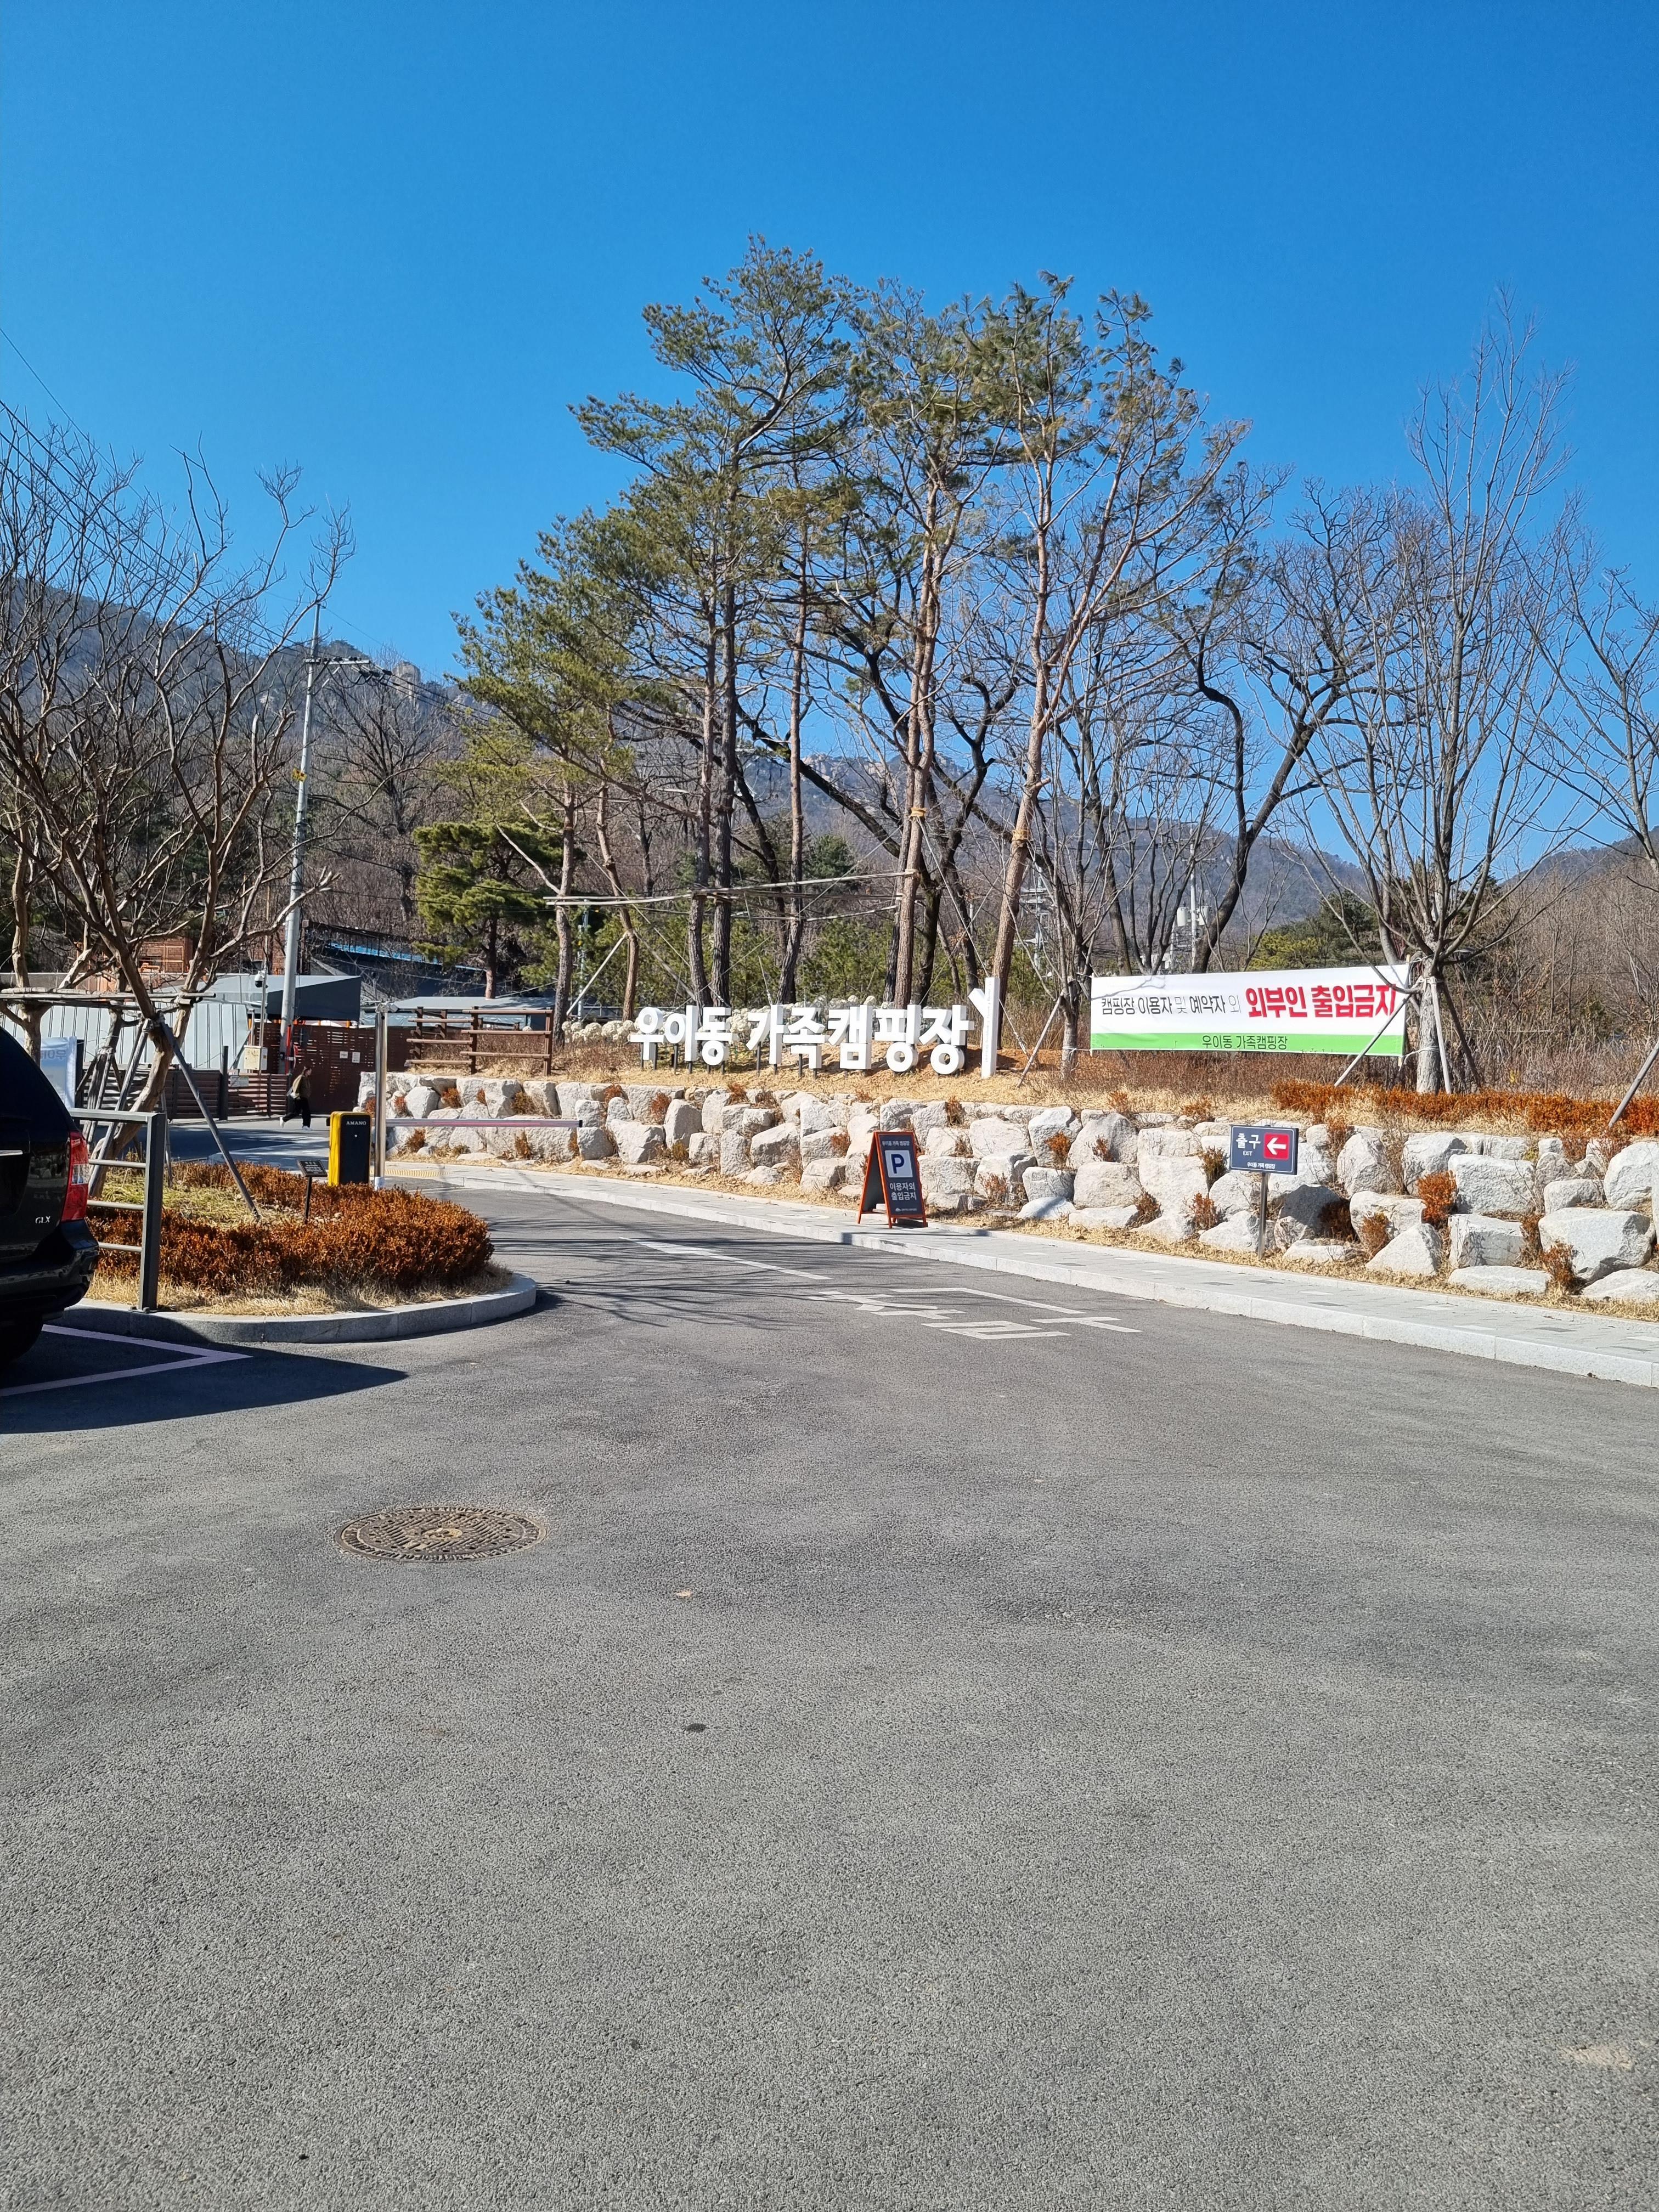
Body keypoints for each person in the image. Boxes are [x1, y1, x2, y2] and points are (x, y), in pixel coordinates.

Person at [284, 1062, 312, 1129]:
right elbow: (296, 1087)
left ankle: (284, 1119)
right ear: (307, 1071)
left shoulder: (307, 1079)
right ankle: (306, 1126)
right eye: (310, 1071)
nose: (311, 1072)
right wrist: (298, 1096)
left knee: (297, 1112)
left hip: (304, 1097)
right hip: (300, 1098)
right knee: (306, 1112)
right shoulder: (301, 1078)